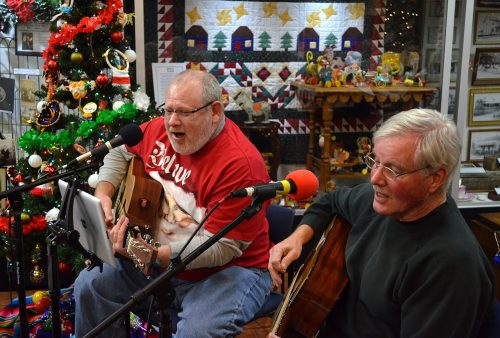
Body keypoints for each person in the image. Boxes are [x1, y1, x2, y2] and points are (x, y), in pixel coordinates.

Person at [74, 70, 273, 337]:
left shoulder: (240, 164)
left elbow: (223, 248)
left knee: (198, 331)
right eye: (167, 110)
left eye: (183, 113)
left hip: (228, 270)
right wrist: (104, 193)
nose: (171, 122)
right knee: (91, 285)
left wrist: (154, 255)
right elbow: (121, 152)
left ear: (215, 111)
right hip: (156, 258)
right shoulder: (159, 129)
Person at [269, 109, 496, 338]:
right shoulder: (380, 203)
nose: (375, 178)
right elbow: (330, 202)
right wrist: (297, 238)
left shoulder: (450, 265)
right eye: (375, 161)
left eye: (392, 169)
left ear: (435, 178)